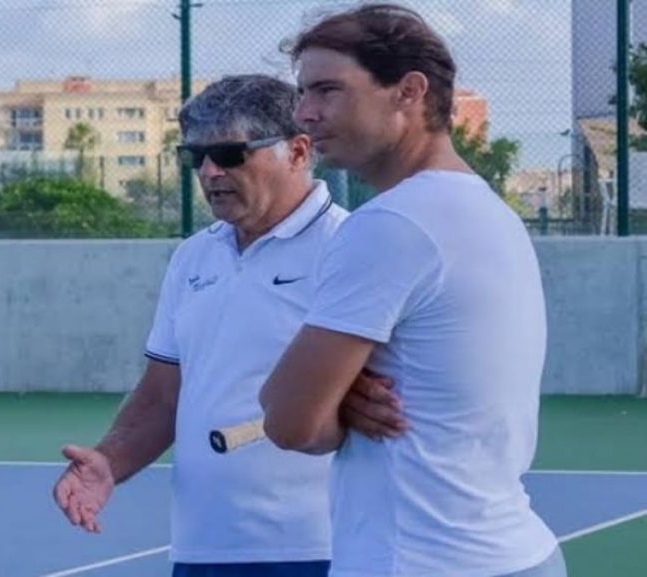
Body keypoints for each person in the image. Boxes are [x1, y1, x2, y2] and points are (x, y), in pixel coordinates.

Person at [259, 4, 566, 577]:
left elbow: (288, 421)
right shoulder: (486, 209)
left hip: (423, 561)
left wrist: (331, 401)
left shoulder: (392, 225)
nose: (305, 114)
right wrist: (341, 397)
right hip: (516, 554)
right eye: (302, 93)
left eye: (327, 90)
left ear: (408, 92)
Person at [52, 74, 399, 577]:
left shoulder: (354, 248)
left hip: (323, 547)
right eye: (197, 157)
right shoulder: (193, 257)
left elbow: (392, 395)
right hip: (202, 548)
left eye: (231, 154)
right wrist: (110, 462)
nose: (210, 171)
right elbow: (162, 398)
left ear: (299, 151)